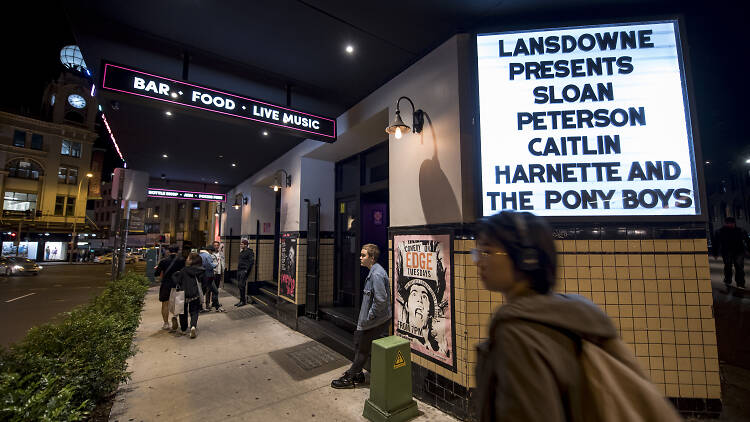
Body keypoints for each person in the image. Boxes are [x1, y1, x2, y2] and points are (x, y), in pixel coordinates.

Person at [474, 211, 666, 421]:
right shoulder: (578, 315)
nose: (478, 261)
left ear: (526, 258)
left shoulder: (518, 332)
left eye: (487, 252)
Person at [331, 243, 391, 389]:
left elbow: (381, 300)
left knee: (362, 348)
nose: (360, 257)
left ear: (372, 258)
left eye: (363, 255)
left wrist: (370, 317)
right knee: (359, 345)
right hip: (370, 320)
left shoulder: (376, 274)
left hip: (373, 321)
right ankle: (357, 373)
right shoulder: (375, 271)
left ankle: (350, 378)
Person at [172, 252, 205, 338]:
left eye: (188, 258)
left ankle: (183, 329)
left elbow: (178, 282)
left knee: (183, 312)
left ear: (191, 261)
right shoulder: (201, 270)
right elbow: (203, 283)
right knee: (194, 311)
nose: (186, 259)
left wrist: (175, 276)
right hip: (195, 294)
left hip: (184, 294)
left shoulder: (184, 270)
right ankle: (193, 326)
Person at [154, 246, 185, 331]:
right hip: (177, 284)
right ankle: (175, 316)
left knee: (165, 304)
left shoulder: (163, 261)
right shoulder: (182, 260)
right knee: (177, 302)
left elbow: (156, 274)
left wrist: (157, 268)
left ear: (168, 251)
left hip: (166, 284)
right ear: (178, 251)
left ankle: (166, 323)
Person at [714, 216, 750, 289]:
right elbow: (716, 243)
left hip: (734, 251)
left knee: (735, 267)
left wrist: (716, 253)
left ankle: (736, 282)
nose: (730, 225)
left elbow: (747, 241)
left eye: (731, 223)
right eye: (729, 223)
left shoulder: (720, 231)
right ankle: (734, 281)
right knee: (733, 267)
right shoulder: (740, 230)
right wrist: (715, 252)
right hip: (732, 251)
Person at [199, 245, 223, 312]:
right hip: (208, 276)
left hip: (202, 276)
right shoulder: (207, 255)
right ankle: (216, 306)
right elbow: (210, 265)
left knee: (202, 292)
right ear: (209, 250)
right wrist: (216, 264)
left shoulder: (200, 255)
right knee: (215, 291)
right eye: (211, 252)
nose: (211, 253)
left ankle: (200, 307)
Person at [235, 239, 255, 307]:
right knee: (239, 285)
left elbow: (251, 262)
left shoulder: (249, 252)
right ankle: (241, 300)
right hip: (239, 270)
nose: (240, 245)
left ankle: (243, 301)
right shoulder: (242, 252)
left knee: (241, 285)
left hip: (244, 270)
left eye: (242, 244)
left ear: (246, 245)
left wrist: (246, 270)